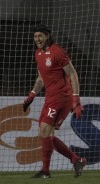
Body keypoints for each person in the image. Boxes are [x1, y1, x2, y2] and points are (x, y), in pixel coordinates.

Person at [23, 24, 86, 178]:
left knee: (44, 131)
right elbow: (41, 78)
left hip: (62, 97)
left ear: (47, 36)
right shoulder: (38, 54)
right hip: (50, 98)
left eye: (40, 36)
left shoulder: (57, 52)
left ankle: (46, 171)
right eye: (35, 36)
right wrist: (31, 95)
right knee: (45, 134)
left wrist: (76, 100)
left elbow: (73, 74)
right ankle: (76, 160)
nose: (37, 39)